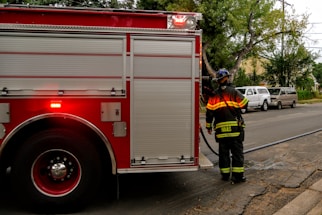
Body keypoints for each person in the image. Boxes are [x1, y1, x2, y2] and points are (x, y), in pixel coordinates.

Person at [205, 68, 248, 183]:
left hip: (221, 132)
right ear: (226, 78)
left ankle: (225, 175)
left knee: (223, 154)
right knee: (237, 154)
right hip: (235, 130)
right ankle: (237, 176)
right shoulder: (234, 92)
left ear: (218, 81)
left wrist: (208, 127)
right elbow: (245, 104)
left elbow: (209, 113)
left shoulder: (213, 96)